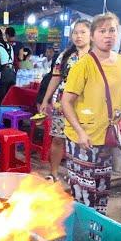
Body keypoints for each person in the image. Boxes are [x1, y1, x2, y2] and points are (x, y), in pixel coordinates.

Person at [61, 12, 121, 214]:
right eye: (102, 31)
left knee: (102, 188)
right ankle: (82, 234)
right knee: (84, 190)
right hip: (82, 139)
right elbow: (66, 102)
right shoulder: (83, 65)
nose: (108, 35)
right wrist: (80, 132)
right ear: (93, 36)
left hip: (107, 137)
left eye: (112, 30)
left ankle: (97, 230)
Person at [39, 19, 91, 183]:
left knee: (81, 141)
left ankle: (77, 175)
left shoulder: (95, 56)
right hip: (62, 103)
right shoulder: (66, 55)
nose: (78, 36)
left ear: (91, 35)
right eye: (75, 32)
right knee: (58, 139)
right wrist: (45, 100)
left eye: (83, 32)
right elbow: (55, 78)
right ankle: (53, 173)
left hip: (86, 106)